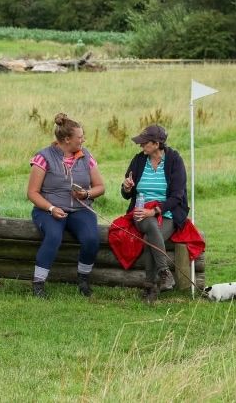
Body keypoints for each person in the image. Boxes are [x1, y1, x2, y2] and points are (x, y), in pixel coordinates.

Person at [26, 112, 105, 298]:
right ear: (67, 139)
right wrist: (51, 208)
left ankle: (83, 279)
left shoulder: (86, 156)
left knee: (92, 239)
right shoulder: (43, 157)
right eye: (80, 137)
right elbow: (32, 193)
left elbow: (100, 187)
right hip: (48, 210)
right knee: (53, 236)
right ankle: (38, 284)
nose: (83, 140)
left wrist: (86, 194)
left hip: (80, 209)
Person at [119, 124, 189, 299]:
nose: (140, 145)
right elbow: (126, 194)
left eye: (144, 143)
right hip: (141, 211)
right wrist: (126, 188)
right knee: (149, 224)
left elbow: (177, 196)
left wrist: (156, 211)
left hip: (168, 212)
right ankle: (165, 273)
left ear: (157, 144)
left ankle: (150, 287)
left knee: (149, 238)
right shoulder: (138, 160)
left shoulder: (174, 160)